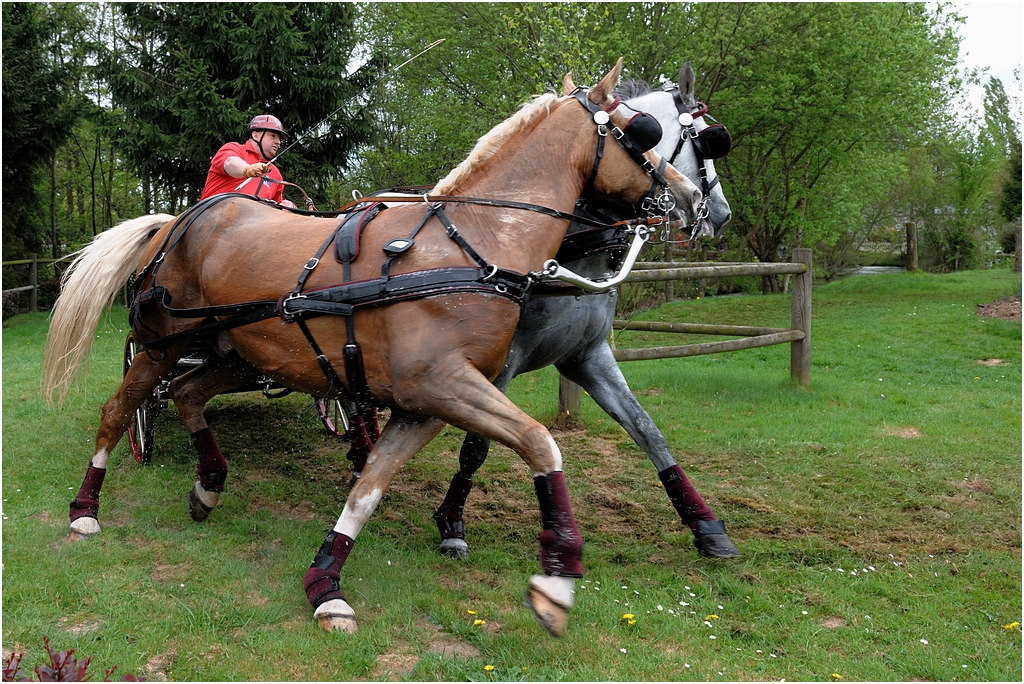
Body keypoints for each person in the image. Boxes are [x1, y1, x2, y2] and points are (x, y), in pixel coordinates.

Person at [200, 114, 291, 204]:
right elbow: (229, 163)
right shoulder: (234, 148)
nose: (278, 142)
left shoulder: (276, 174)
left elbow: (277, 207)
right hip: (211, 211)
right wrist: (248, 169)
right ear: (255, 136)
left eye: (279, 139)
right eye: (273, 136)